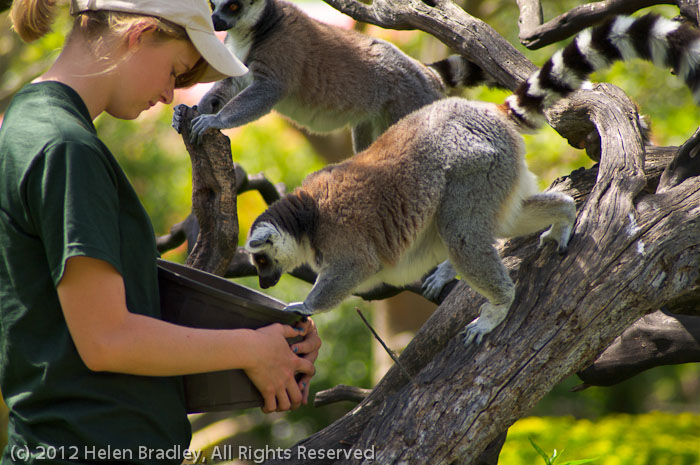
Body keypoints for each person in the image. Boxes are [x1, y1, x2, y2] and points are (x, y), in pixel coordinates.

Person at [0, 0, 321, 463]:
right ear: (138, 35)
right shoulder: (66, 147)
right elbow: (107, 340)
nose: (171, 95)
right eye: (176, 71)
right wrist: (250, 349)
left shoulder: (34, 120)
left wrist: (274, 338)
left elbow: (83, 327)